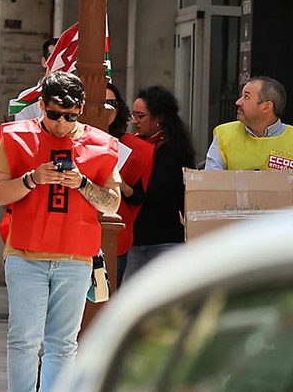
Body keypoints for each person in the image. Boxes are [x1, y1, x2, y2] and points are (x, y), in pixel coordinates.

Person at [0, 71, 122, 392]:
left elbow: (112, 203)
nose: (62, 123)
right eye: (53, 115)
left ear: (80, 108)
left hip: (77, 257)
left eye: (70, 115)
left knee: (62, 344)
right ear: (41, 106)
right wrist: (32, 179)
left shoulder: (103, 145)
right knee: (24, 340)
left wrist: (82, 183)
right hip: (24, 254)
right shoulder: (14, 136)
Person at [127, 85, 195, 278]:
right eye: (133, 115)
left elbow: (159, 191)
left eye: (141, 116)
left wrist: (129, 191)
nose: (134, 121)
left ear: (159, 118)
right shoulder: (134, 142)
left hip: (164, 240)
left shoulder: (174, 149)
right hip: (135, 239)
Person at [105, 84, 152, 288]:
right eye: (99, 103)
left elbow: (138, 197)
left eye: (111, 103)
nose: (106, 109)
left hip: (115, 237)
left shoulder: (135, 148)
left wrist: (122, 185)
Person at [204, 76, 291, 169]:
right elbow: (212, 180)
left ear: (266, 107)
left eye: (246, 97)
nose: (238, 102)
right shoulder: (224, 134)